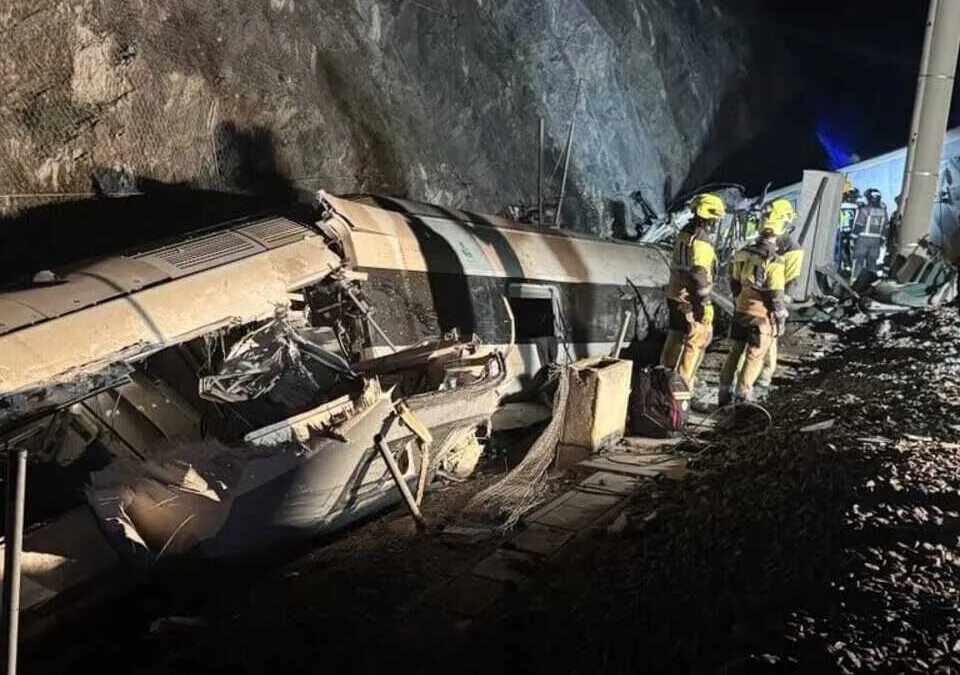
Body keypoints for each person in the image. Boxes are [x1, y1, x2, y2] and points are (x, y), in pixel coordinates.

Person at [659, 192, 725, 392]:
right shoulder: (702, 241)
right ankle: (683, 388)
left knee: (675, 335)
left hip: (675, 294)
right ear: (710, 218)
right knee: (696, 341)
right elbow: (699, 275)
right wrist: (704, 304)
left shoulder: (685, 232)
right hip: (691, 298)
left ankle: (662, 379)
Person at [718, 219, 789, 406]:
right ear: (778, 233)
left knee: (735, 352)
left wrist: (740, 298)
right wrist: (780, 318)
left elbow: (733, 282)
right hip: (760, 317)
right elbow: (775, 295)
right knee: (754, 356)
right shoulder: (775, 260)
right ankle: (743, 396)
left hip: (741, 310)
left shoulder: (743, 253)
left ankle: (723, 393)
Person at [756, 199, 803, 388]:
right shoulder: (766, 241)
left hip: (775, 295)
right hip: (758, 294)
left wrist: (780, 305)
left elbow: (792, 279)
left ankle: (765, 375)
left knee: (770, 337)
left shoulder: (792, 249)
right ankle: (752, 372)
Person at [850, 188, 888, 277]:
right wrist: (882, 239)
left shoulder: (864, 210)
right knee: (872, 262)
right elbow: (885, 228)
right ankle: (871, 281)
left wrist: (853, 237)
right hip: (876, 241)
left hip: (862, 240)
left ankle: (855, 279)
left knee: (858, 261)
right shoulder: (884, 213)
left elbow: (859, 225)